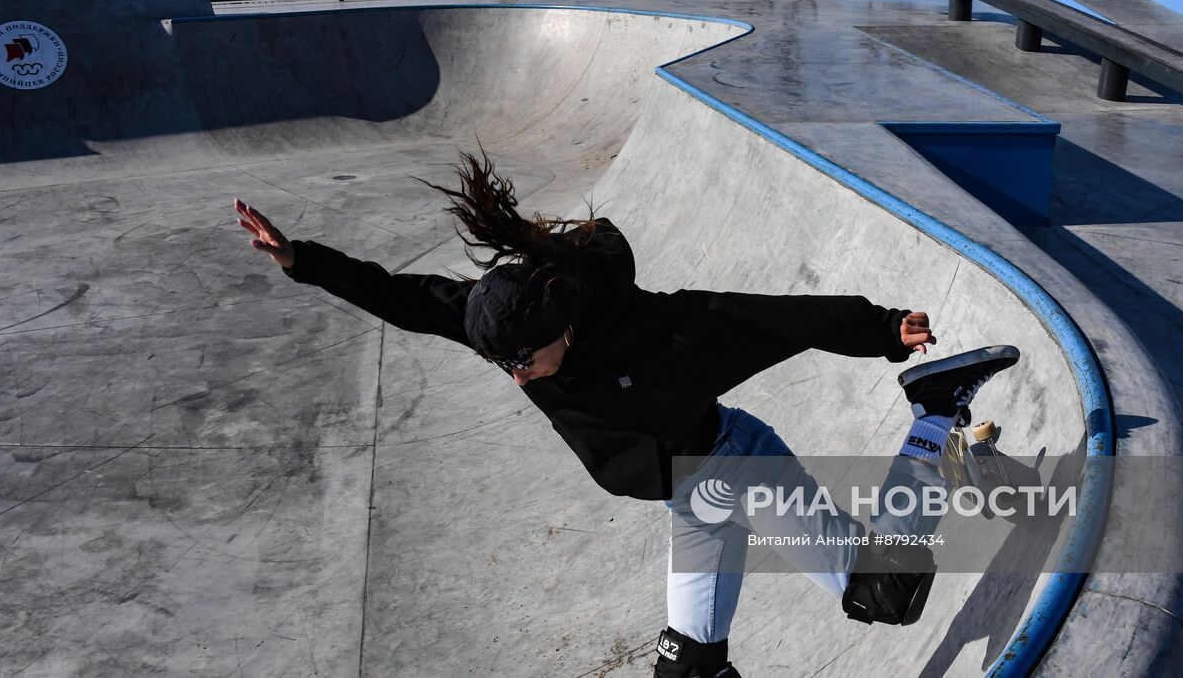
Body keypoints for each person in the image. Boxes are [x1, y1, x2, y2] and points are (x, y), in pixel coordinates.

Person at [231, 155, 1016, 678]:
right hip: (691, 499)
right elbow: (403, 298)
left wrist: (880, 328)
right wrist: (304, 260)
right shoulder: (495, 319)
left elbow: (777, 318)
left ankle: (934, 412)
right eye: (504, 365)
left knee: (886, 593)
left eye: (525, 363)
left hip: (737, 465)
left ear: (558, 331)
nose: (516, 378)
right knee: (687, 668)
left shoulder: (661, 332)